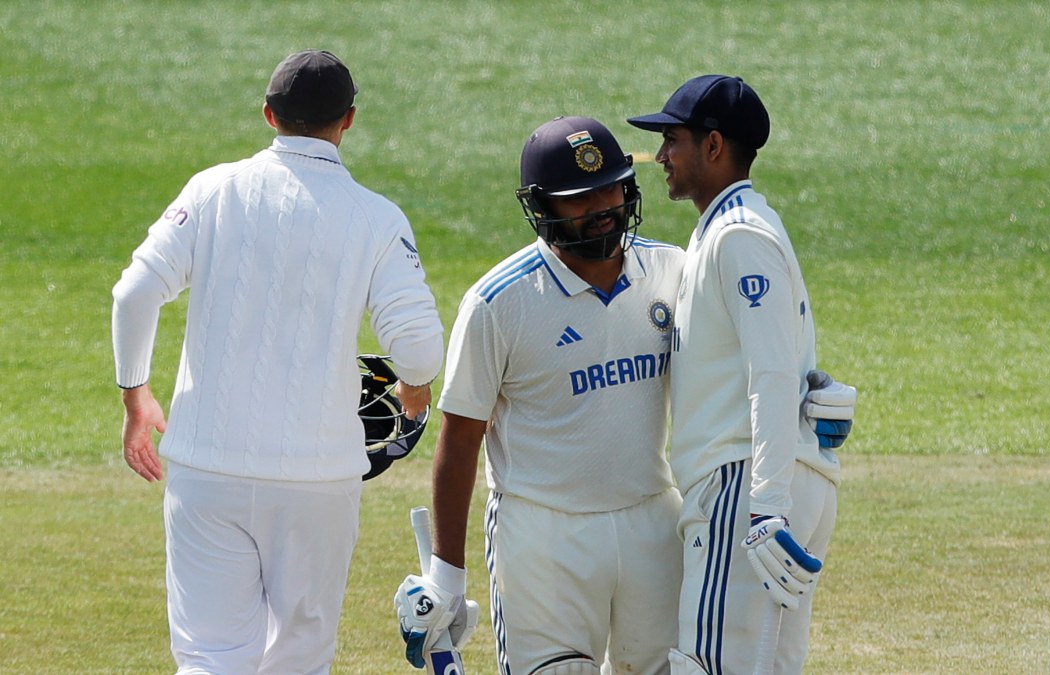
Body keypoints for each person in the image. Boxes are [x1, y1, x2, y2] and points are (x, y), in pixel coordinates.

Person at [112, 50, 443, 674]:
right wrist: (414, 392)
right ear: (349, 121)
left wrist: (137, 397)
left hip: (206, 468)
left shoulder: (211, 191)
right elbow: (420, 348)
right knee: (300, 660)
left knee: (211, 659)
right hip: (320, 483)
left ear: (269, 114)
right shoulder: (377, 218)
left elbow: (133, 293)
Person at [394, 116, 685, 675]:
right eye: (579, 197)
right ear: (543, 206)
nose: (603, 205)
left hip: (653, 517)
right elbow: (459, 444)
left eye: (611, 186)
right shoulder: (498, 303)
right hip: (544, 535)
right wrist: (446, 577)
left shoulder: (671, 270)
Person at [627, 75, 856, 674]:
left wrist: (767, 507)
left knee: (708, 665)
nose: (661, 156)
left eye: (672, 140)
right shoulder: (727, 229)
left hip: (743, 483)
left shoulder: (739, 237)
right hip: (763, 477)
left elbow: (772, 371)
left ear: (713, 146)